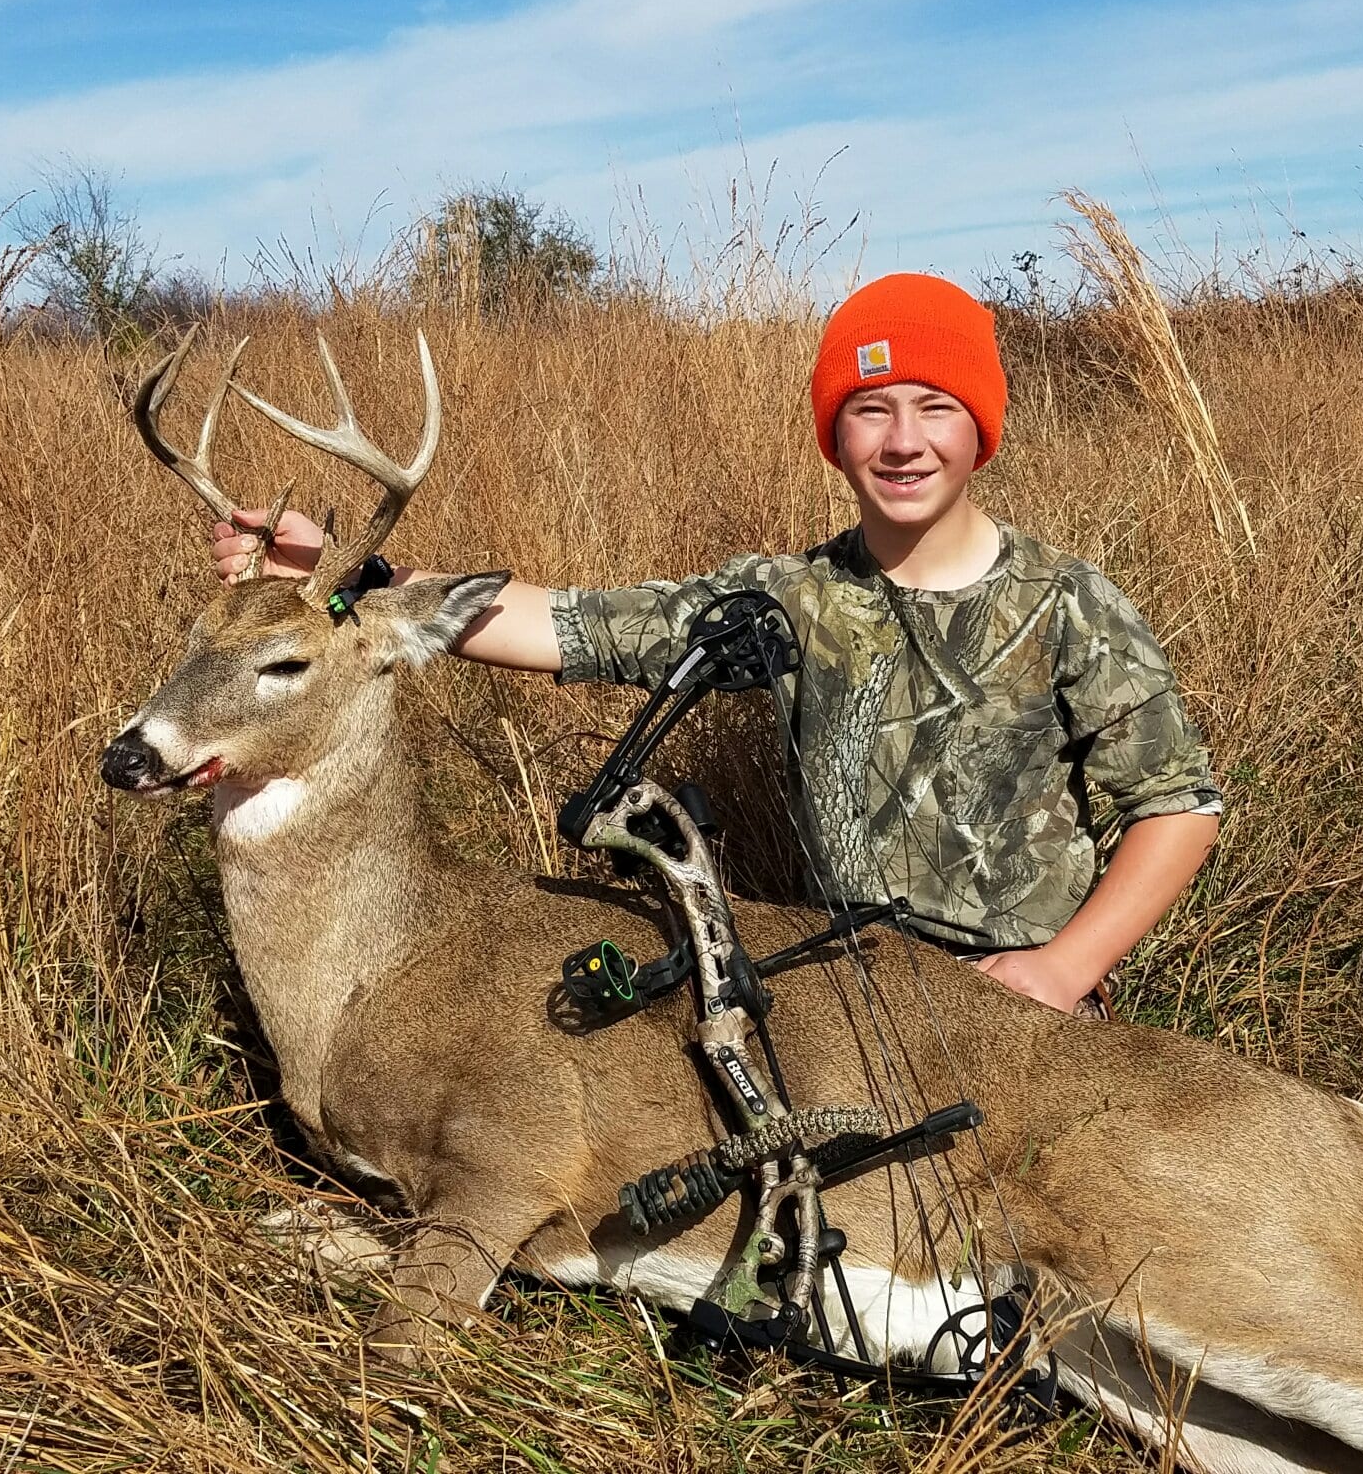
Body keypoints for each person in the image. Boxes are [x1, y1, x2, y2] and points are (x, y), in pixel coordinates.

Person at [210, 274, 1221, 1016]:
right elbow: (569, 624)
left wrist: (1065, 967)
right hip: (850, 995)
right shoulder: (792, 599)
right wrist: (350, 582)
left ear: (980, 428)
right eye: (870, 411)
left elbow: (1176, 807)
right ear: (837, 437)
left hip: (1024, 998)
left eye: (935, 408)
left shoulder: (1070, 602)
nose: (903, 441)